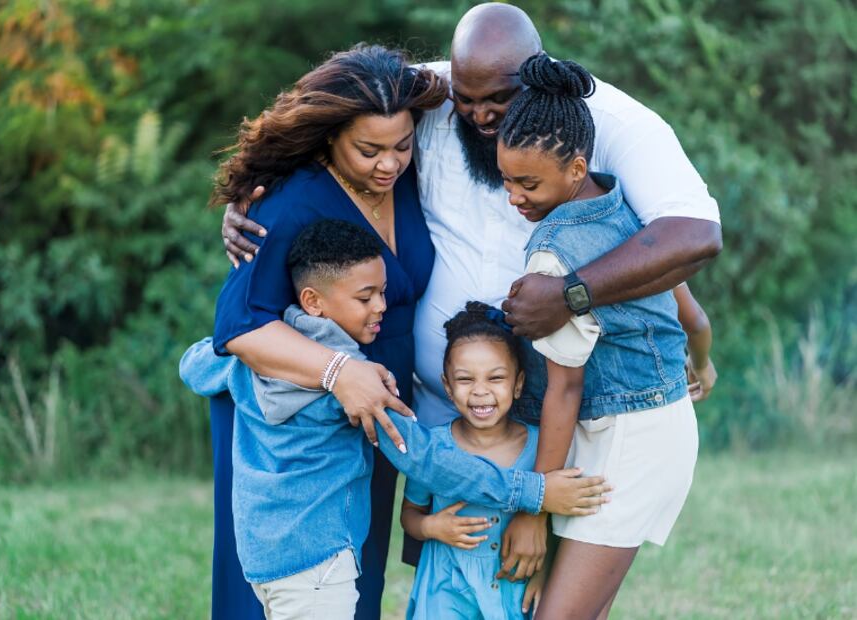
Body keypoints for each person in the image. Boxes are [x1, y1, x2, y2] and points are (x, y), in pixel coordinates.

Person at [220, 3, 722, 579]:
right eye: (467, 99)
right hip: (426, 409)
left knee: (520, 581)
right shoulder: (434, 94)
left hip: (531, 410)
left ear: (534, 75)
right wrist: (250, 189)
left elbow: (693, 238)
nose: (481, 114)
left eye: (498, 101)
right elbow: (338, 104)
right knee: (445, 576)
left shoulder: (611, 124)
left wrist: (571, 295)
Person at [202, 44, 609, 619]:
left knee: (353, 572)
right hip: (295, 421)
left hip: (374, 403)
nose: (389, 164)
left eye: (401, 145)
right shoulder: (288, 203)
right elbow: (239, 328)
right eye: (368, 150)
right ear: (329, 138)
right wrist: (339, 373)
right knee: (291, 575)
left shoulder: (405, 179)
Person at [181, 221, 608, 619]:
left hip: (263, 558)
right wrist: (535, 491)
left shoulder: (254, 357)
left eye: (383, 292)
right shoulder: (355, 384)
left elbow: (194, 365)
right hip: (320, 560)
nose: (381, 306)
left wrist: (245, 351)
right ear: (313, 301)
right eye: (365, 297)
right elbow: (423, 458)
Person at [496, 53, 713, 618]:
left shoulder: (552, 256)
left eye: (528, 183)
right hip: (656, 428)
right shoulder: (626, 211)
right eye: (506, 180)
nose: (514, 197)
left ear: (575, 168)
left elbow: (564, 390)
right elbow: (691, 313)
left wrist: (534, 508)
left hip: (627, 444)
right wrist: (704, 362)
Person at [402, 302, 558, 620]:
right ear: (447, 386)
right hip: (446, 588)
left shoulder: (542, 447)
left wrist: (545, 573)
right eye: (465, 379)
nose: (480, 391)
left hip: (515, 587)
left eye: (496, 378)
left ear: (518, 384)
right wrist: (431, 526)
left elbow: (556, 522)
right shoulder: (433, 448)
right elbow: (410, 514)